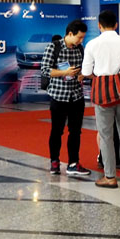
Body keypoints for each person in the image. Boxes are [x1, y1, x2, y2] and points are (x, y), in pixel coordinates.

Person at [82, 10, 120, 188]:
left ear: (99, 25)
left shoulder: (92, 44)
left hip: (101, 93)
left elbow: (86, 72)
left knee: (106, 135)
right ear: (116, 25)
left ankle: (109, 176)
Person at [42, 19, 90, 177]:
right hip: (59, 96)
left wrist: (82, 74)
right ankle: (54, 161)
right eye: (79, 37)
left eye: (83, 38)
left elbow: (84, 68)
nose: (81, 40)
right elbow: (45, 70)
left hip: (76, 96)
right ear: (70, 34)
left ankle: (73, 163)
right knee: (57, 131)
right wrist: (65, 72)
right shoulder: (53, 47)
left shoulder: (80, 49)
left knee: (75, 132)